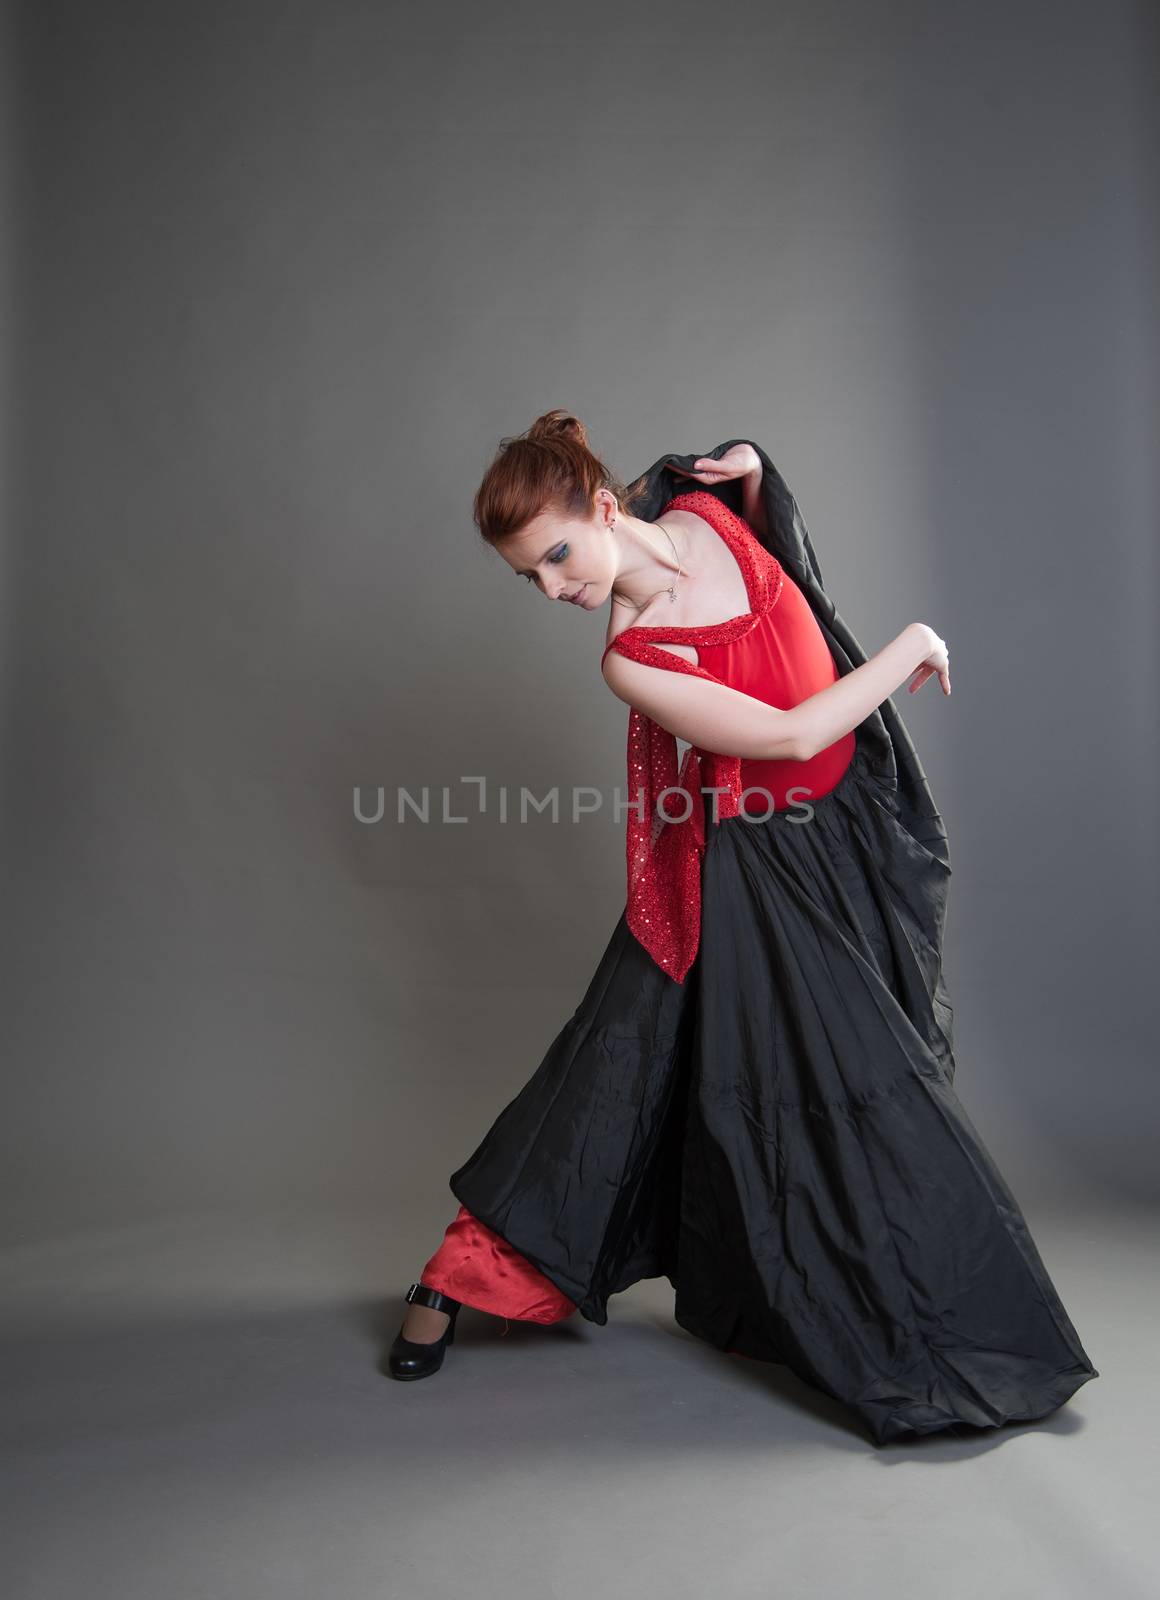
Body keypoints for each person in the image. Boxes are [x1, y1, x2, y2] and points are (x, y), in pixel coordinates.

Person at [384, 410, 1099, 1446]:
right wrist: (914, 643)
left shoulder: (705, 507)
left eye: (554, 556)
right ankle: (937, 1339)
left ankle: (724, 1284)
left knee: (656, 1067)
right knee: (715, 1077)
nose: (551, 589)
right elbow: (788, 729)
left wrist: (757, 471)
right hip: (758, 864)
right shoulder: (631, 658)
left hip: (846, 826)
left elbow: (786, 582)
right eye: (526, 578)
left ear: (600, 506)